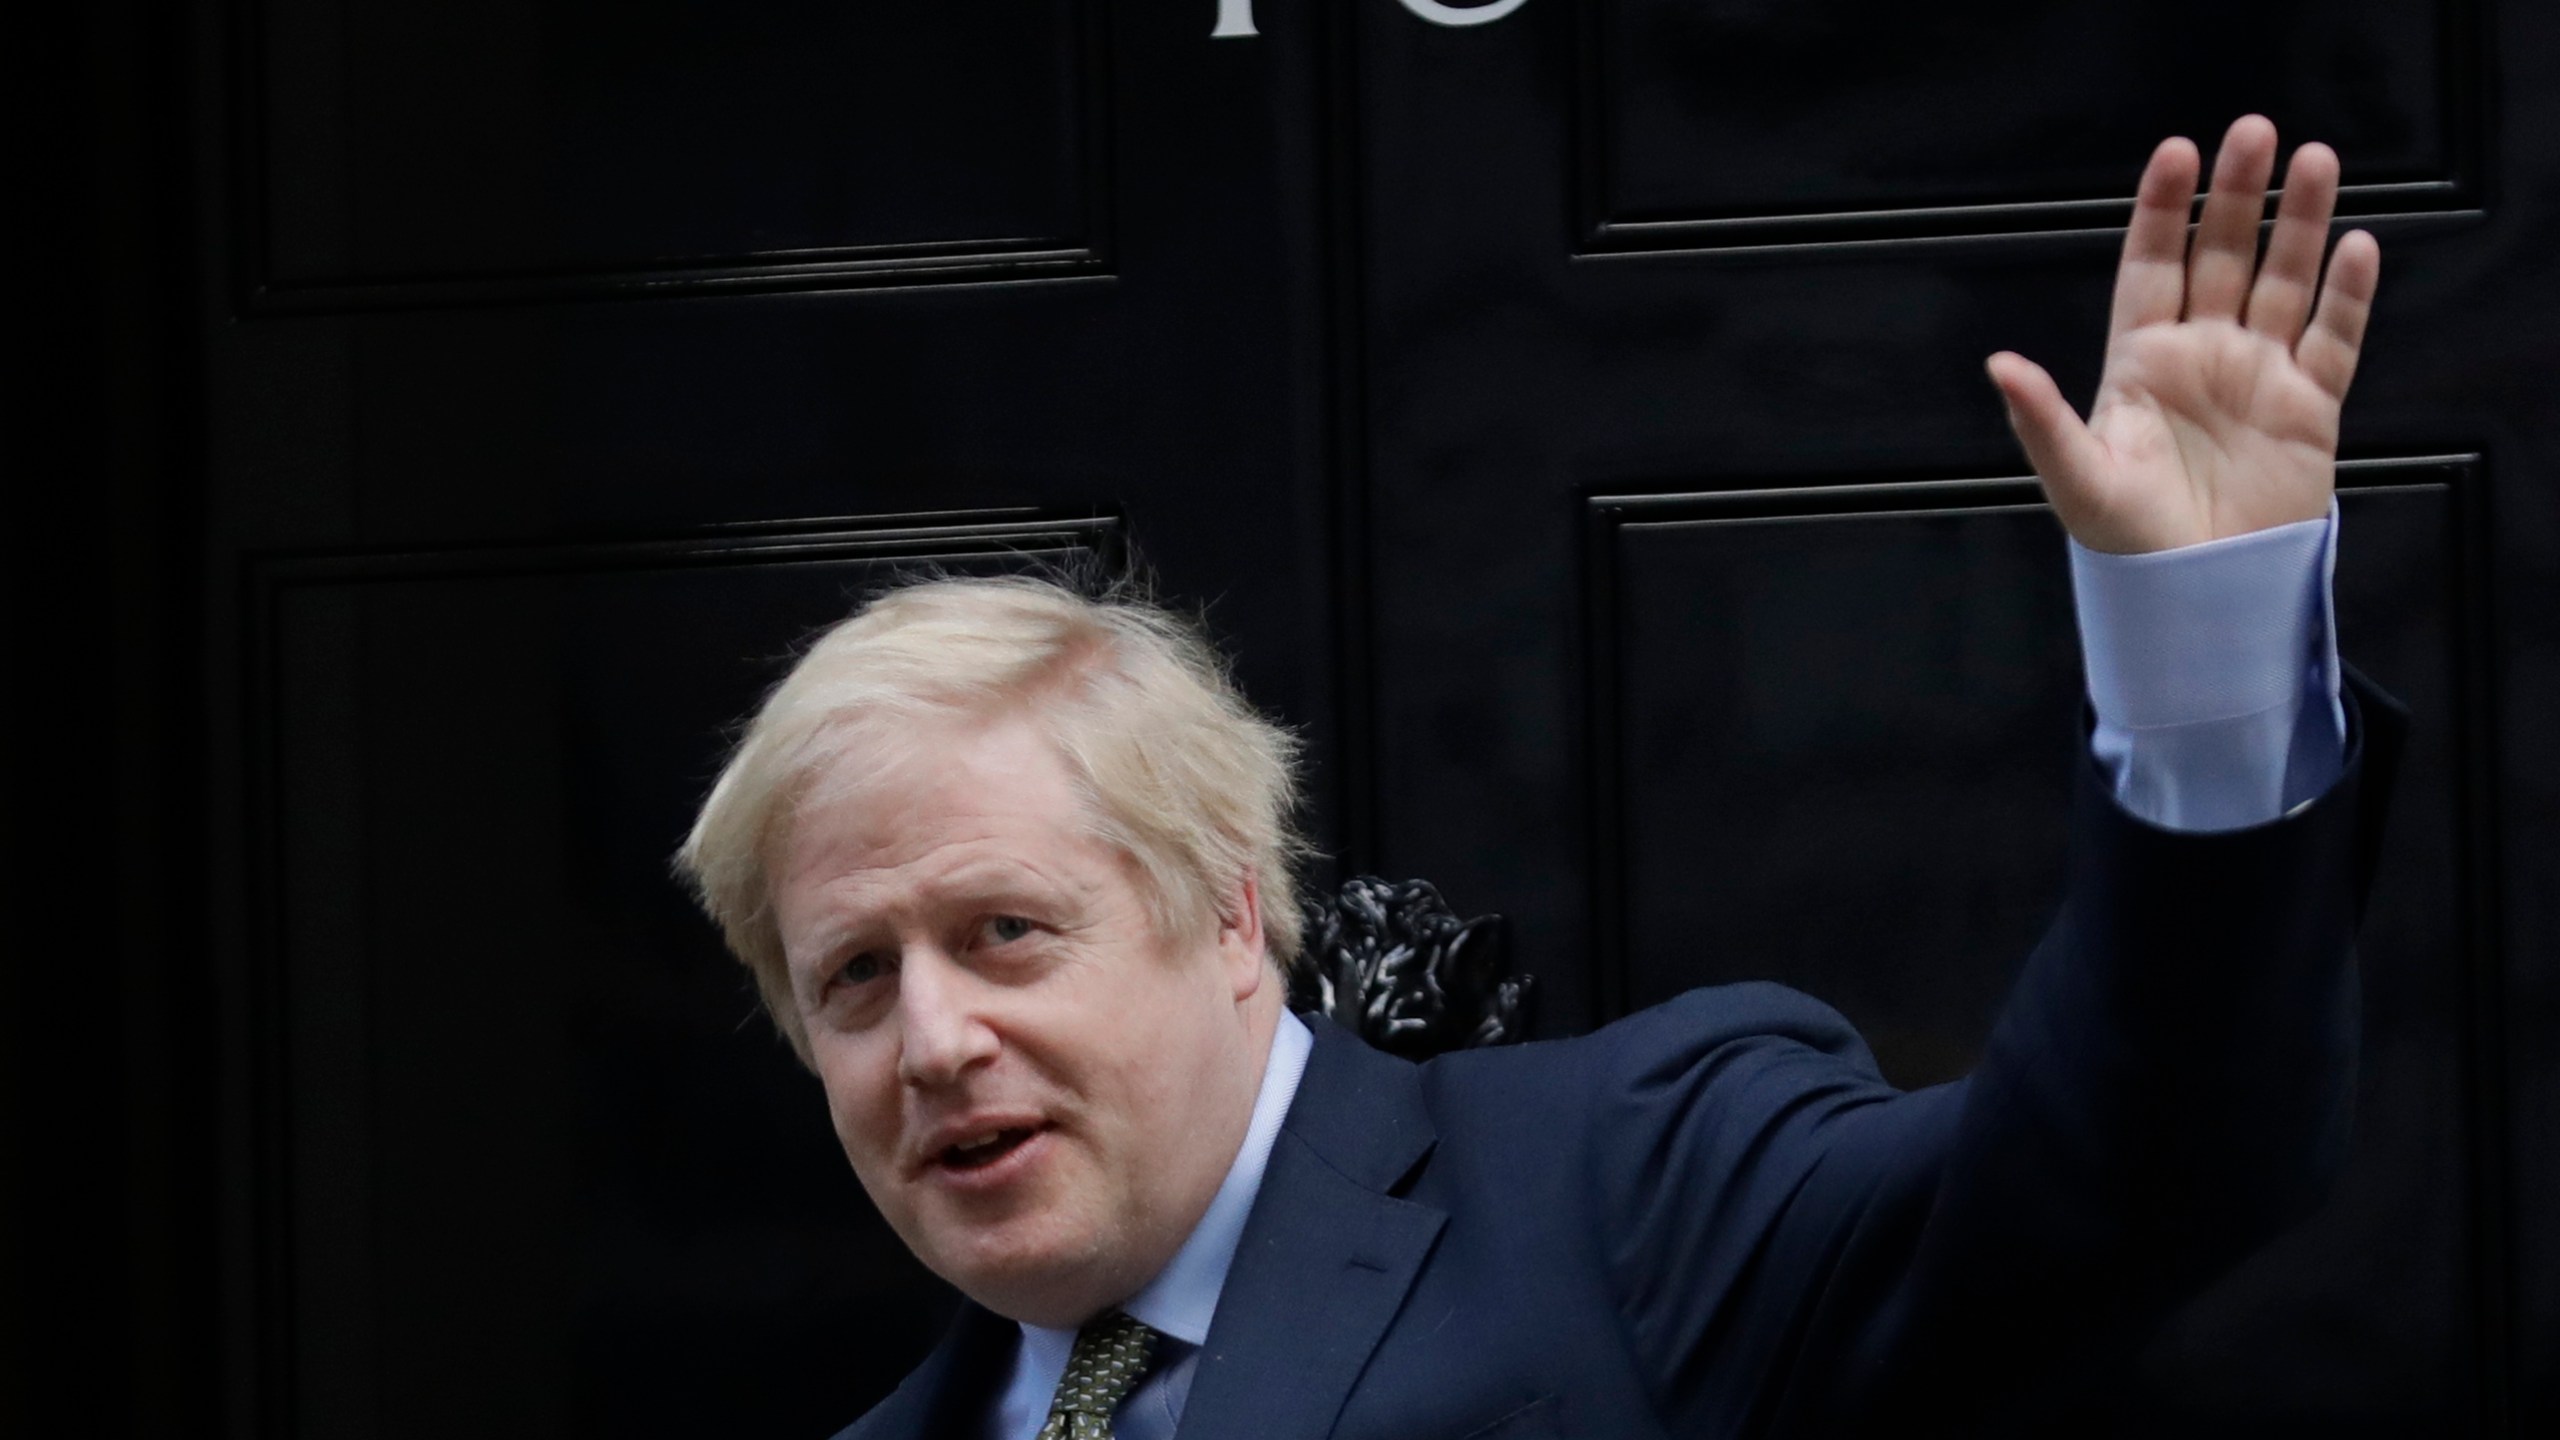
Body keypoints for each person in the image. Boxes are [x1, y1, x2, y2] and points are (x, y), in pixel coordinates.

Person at [675, 116, 2399, 1438]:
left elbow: (2137, 1175)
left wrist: (2205, 666)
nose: (934, 1038)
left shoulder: (1629, 1189)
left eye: (1004, 931)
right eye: (852, 978)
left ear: (1226, 910)